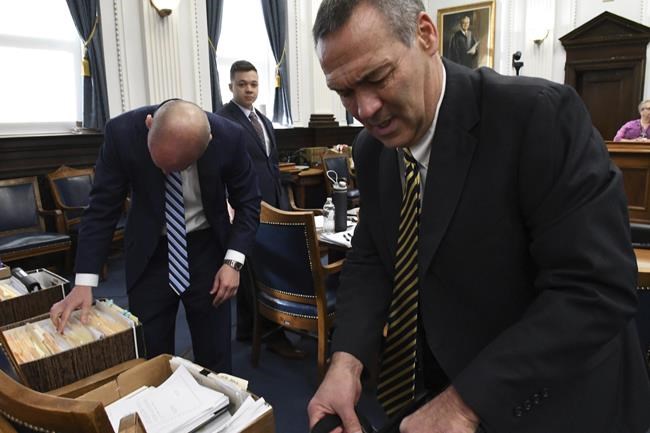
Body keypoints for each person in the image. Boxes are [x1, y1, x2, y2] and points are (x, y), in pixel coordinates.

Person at [308, 1, 650, 433]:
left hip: (558, 403)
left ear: (426, 35)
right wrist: (347, 361)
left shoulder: (537, 115)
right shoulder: (370, 150)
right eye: (344, 92)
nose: (366, 108)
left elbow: (596, 288)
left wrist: (465, 403)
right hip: (443, 383)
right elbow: (372, 255)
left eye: (377, 77)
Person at [50, 99, 261, 374]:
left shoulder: (229, 137)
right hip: (150, 252)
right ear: (149, 126)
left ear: (208, 141)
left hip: (207, 250)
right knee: (149, 356)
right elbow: (102, 209)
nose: (167, 174)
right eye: (160, 165)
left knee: (215, 356)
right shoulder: (122, 134)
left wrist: (233, 263)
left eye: (180, 167)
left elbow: (248, 203)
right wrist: (84, 282)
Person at [217, 60, 305, 359]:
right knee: (251, 270)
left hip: (272, 204)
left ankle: (249, 328)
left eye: (253, 84)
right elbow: (220, 168)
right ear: (231, 86)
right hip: (244, 208)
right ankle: (270, 335)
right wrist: (228, 204)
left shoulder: (264, 121)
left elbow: (271, 164)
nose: (249, 89)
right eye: (242, 84)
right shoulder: (222, 120)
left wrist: (283, 203)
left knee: (266, 268)